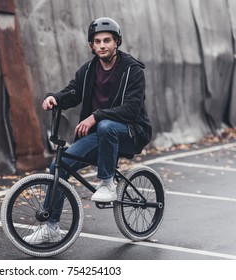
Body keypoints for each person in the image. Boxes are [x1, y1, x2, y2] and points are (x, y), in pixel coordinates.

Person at [24, 17, 152, 244]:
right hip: (101, 133)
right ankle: (51, 227)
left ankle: (107, 182)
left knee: (105, 125)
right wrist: (54, 97)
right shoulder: (90, 69)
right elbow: (73, 92)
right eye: (97, 41)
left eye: (107, 40)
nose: (102, 45)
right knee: (58, 166)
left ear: (117, 43)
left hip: (131, 131)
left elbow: (132, 109)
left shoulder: (133, 70)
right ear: (91, 46)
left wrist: (96, 116)